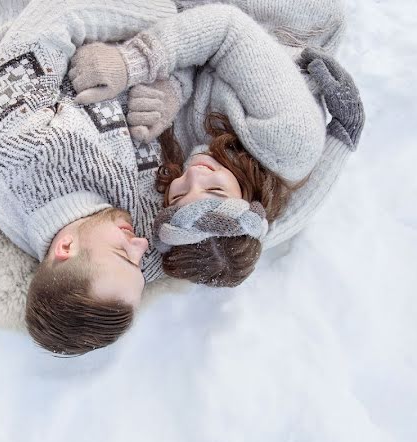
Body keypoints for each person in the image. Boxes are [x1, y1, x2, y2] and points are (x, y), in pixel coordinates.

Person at [70, 0, 365, 286]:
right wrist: (130, 63)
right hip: (287, 19)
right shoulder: (288, 137)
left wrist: (174, 90)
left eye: (177, 196)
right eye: (215, 189)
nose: (194, 174)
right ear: (251, 204)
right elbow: (226, 30)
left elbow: (267, 230)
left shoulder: (209, 192)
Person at [0, 0, 180, 355]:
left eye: (124, 254)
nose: (141, 246)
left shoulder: (4, 148)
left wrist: (165, 27)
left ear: (65, 248)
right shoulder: (137, 251)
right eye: (139, 265)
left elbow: (58, 15)